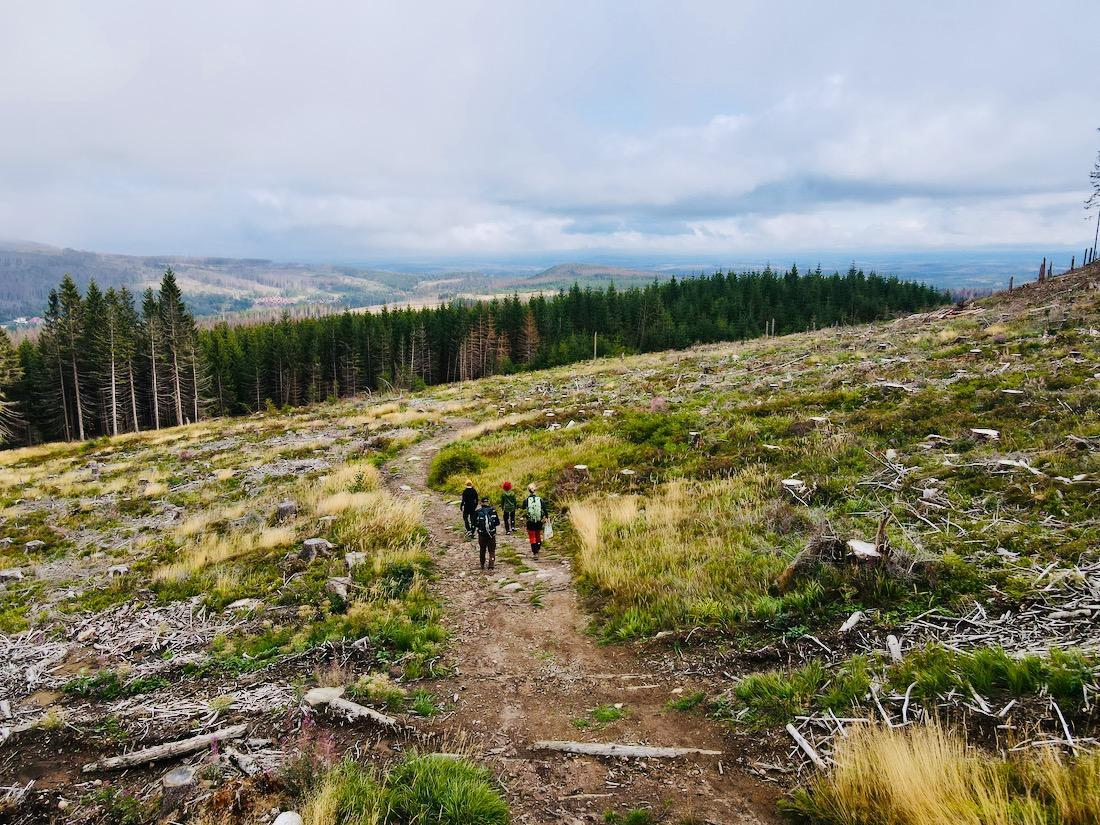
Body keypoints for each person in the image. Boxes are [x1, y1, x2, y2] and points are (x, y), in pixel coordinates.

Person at [474, 496, 500, 570]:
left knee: (482, 549)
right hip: (491, 534)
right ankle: (491, 565)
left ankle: (482, 564)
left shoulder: (478, 512)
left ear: (481, 503)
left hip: (482, 535)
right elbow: (497, 523)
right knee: (491, 550)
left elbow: (475, 523)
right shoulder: (493, 511)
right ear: (488, 502)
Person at [524, 483, 548, 559]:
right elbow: (544, 509)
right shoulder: (540, 499)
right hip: (538, 520)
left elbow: (522, 507)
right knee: (538, 535)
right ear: (535, 490)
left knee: (532, 536)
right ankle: (538, 547)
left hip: (530, 521)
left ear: (528, 491)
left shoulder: (526, 500)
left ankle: (534, 552)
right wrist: (547, 517)